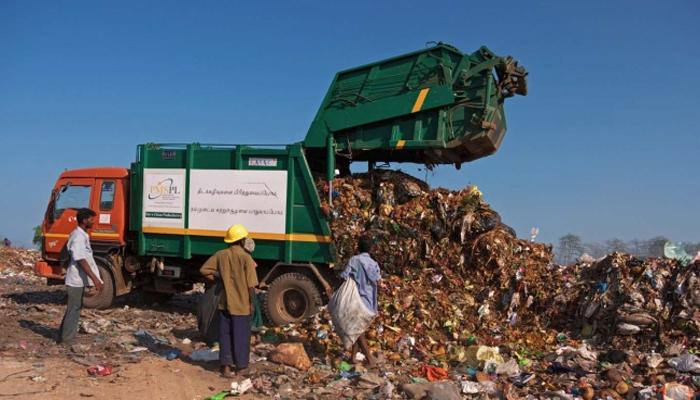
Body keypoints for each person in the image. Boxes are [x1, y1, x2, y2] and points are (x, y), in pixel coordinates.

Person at [200, 224, 258, 378]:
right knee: (241, 335)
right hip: (241, 304)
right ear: (241, 241)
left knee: (224, 334)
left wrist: (219, 278)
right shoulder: (246, 258)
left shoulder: (221, 255)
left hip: (224, 303)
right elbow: (251, 285)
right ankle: (241, 367)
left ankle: (226, 367)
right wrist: (252, 303)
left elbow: (204, 270)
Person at [57, 208, 103, 344]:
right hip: (75, 280)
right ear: (84, 220)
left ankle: (62, 336)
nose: (93, 222)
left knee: (73, 308)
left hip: (78, 280)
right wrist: (95, 278)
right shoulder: (78, 236)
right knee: (74, 309)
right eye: (91, 219)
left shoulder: (81, 235)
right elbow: (80, 259)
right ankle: (67, 340)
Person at [339, 235, 381, 366]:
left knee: (358, 329)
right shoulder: (374, 263)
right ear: (371, 249)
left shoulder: (354, 260)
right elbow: (378, 280)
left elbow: (344, 276)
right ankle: (353, 357)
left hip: (355, 300)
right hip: (369, 301)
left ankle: (369, 359)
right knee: (359, 328)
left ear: (358, 247)